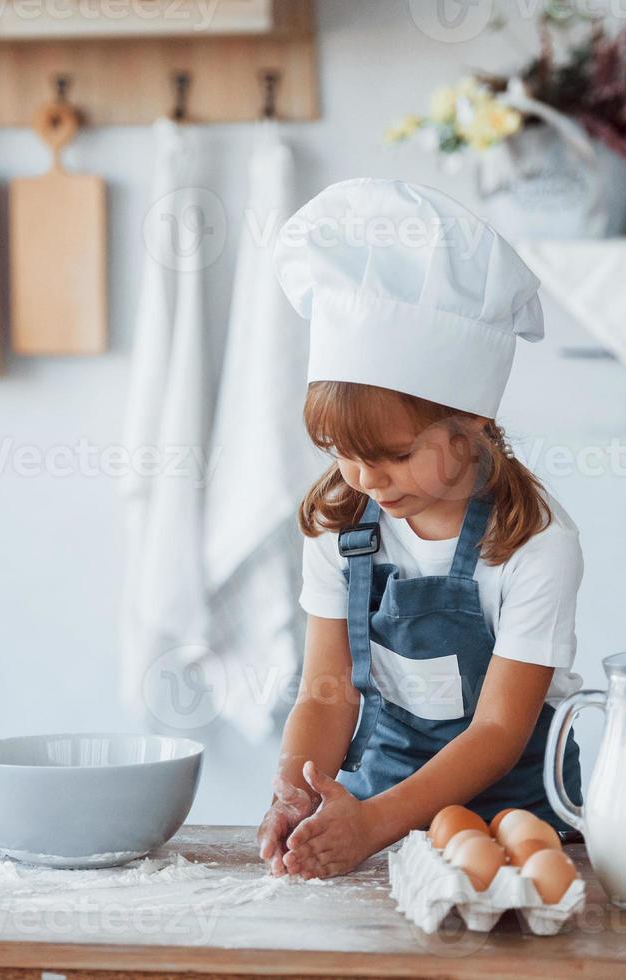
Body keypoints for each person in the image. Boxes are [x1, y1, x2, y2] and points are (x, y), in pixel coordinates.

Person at [257, 179, 584, 879]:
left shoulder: (534, 545)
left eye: (394, 455)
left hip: (517, 825)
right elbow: (328, 689)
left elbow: (499, 730)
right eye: (342, 453)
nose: (364, 478)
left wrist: (371, 823)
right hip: (378, 820)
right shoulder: (338, 528)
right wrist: (298, 789)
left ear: (471, 426)